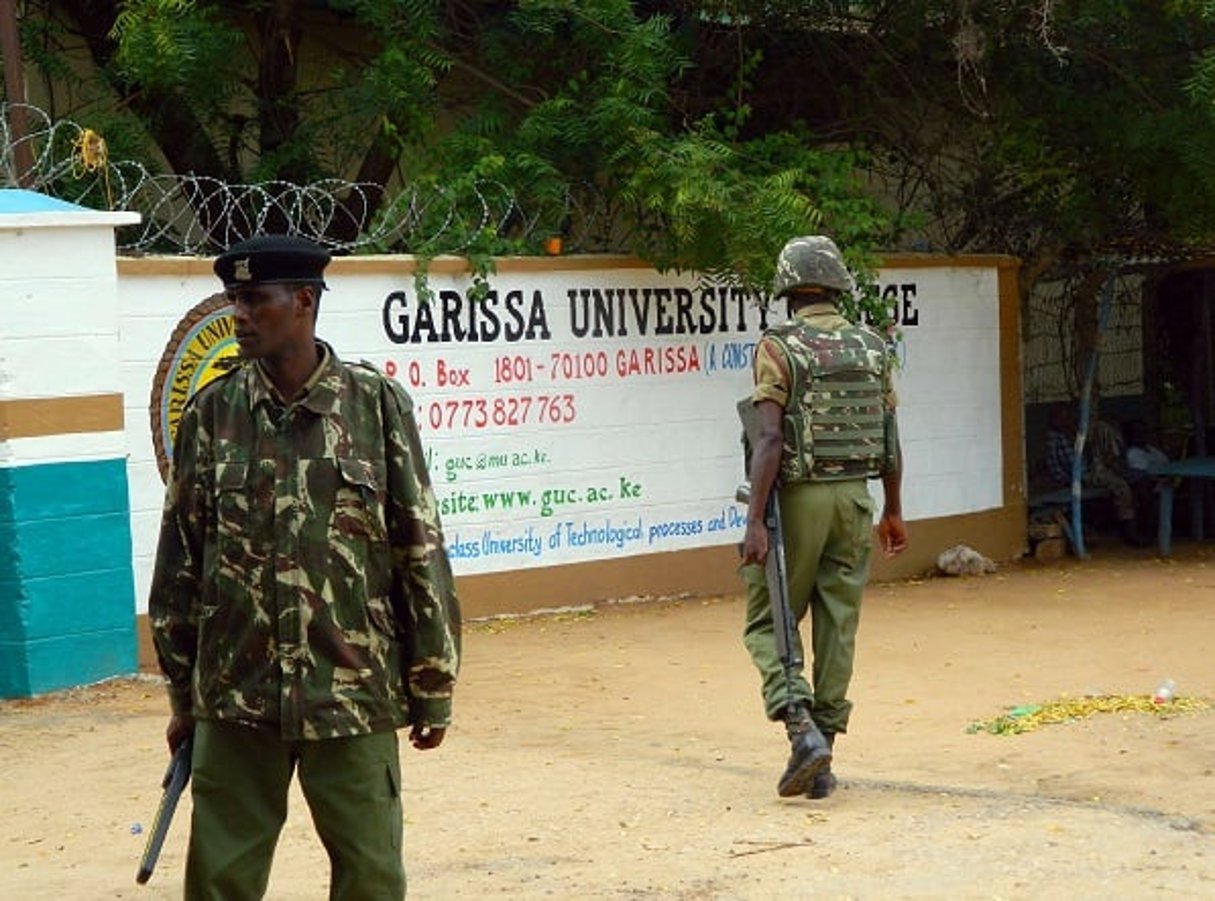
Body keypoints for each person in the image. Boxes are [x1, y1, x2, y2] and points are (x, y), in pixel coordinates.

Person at [149, 235, 461, 900]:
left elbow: (419, 546)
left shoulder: (376, 407)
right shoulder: (212, 413)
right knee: (220, 880)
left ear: (305, 300)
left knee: (371, 875)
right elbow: (180, 562)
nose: (239, 313)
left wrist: (433, 681)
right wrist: (185, 693)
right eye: (235, 298)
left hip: (351, 692)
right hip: (237, 694)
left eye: (255, 299)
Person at [739, 235, 907, 800]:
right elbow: (890, 438)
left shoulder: (779, 346)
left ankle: (801, 728)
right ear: (837, 287)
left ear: (789, 289)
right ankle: (825, 756)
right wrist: (895, 511)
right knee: (839, 622)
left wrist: (756, 521)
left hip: (798, 499)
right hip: (857, 499)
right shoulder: (871, 346)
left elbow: (767, 439)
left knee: (771, 620)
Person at [1043, 402, 1143, 545]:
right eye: (1061, 417)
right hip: (1081, 476)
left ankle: (1137, 524)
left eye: (1067, 416)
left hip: (1093, 469)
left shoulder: (1076, 432)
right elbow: (1053, 464)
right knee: (1120, 486)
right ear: (1053, 420)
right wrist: (1069, 481)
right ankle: (1130, 532)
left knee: (1133, 480)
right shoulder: (1054, 438)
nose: (1066, 420)